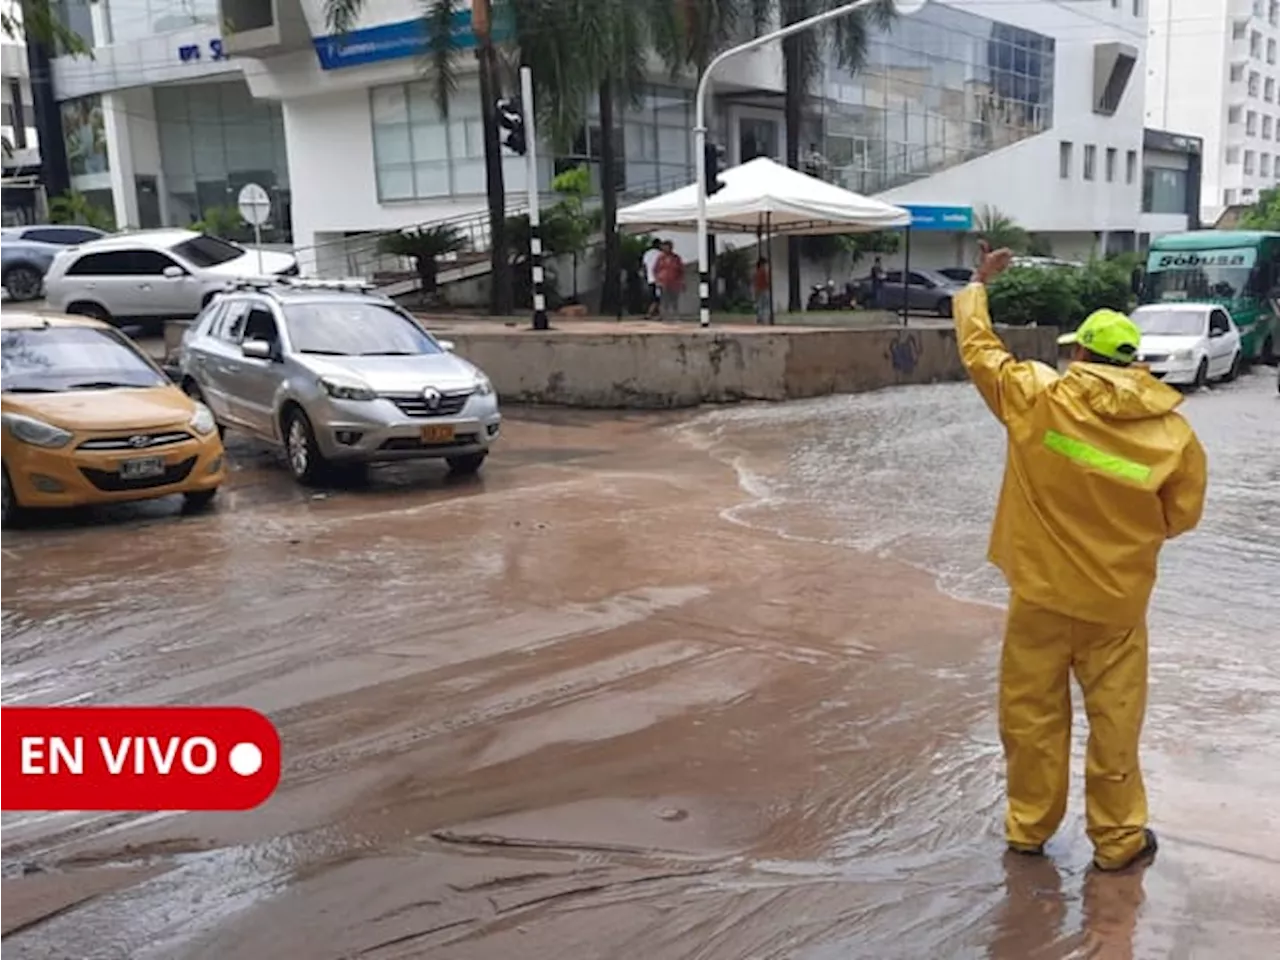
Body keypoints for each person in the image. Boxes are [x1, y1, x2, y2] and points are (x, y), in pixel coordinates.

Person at [954, 240, 1207, 874]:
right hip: (1115, 606)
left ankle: (1028, 828)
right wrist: (1118, 534)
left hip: (1038, 597)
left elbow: (980, 351)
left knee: (1031, 717)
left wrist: (977, 286)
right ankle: (1119, 841)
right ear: (1135, 363)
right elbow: (1182, 517)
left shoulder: (1039, 398)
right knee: (1115, 722)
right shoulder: (1173, 433)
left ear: (1082, 354)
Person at [655, 241, 684, 322]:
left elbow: (681, 270)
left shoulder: (676, 258)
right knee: (664, 300)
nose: (666, 248)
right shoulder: (660, 258)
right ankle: (664, 317)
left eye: (668, 247)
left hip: (674, 282)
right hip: (663, 282)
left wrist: (681, 281)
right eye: (664, 247)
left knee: (674, 300)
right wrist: (658, 280)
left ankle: (676, 316)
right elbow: (656, 269)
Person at [642, 239, 663, 318]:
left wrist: (645, 276)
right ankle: (650, 313)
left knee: (653, 297)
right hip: (659, 279)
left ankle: (654, 313)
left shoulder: (647, 253)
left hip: (649, 278)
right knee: (658, 298)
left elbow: (644, 266)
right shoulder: (660, 254)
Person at [753, 257, 771, 325]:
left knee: (759, 305)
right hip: (764, 290)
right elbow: (767, 281)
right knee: (765, 305)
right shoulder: (763, 272)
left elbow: (755, 283)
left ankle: (759, 319)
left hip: (758, 290)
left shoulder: (756, 272)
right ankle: (763, 319)